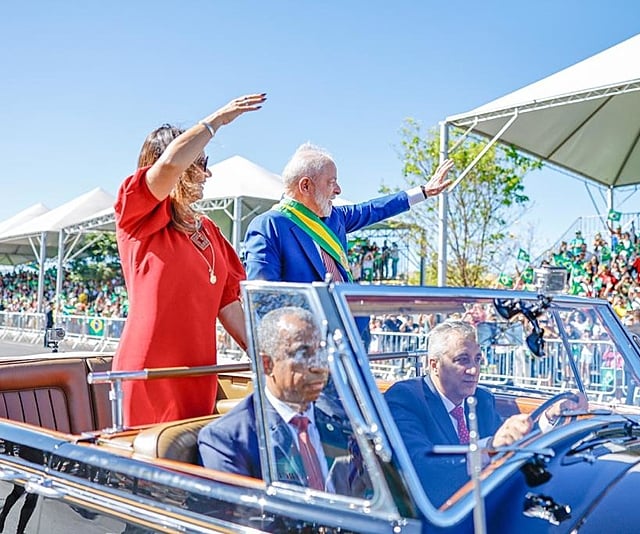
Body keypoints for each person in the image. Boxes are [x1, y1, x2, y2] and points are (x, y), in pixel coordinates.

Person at [113, 93, 266, 426]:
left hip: (199, 373)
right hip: (149, 373)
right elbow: (168, 166)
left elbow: (229, 305)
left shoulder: (209, 230)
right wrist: (217, 121)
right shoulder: (137, 216)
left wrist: (262, 355)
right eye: (199, 163)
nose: (206, 174)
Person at [384, 321, 583, 507]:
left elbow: (509, 443)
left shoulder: (482, 400)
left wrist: (551, 417)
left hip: (485, 504)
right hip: (436, 513)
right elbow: (422, 467)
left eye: (477, 360)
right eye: (462, 360)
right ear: (434, 365)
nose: (473, 370)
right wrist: (489, 449)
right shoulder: (406, 398)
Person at [198, 307, 365, 496]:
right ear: (266, 364)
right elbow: (240, 519)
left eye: (321, 352)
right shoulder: (228, 439)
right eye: (302, 354)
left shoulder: (341, 420)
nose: (319, 367)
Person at [243, 143, 454, 285]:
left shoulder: (336, 218)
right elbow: (263, 297)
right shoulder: (269, 226)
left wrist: (423, 192)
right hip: (303, 345)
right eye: (331, 182)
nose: (338, 190)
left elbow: (374, 209)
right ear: (305, 186)